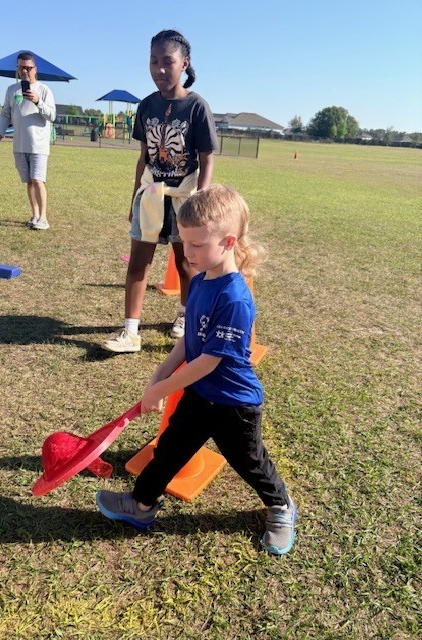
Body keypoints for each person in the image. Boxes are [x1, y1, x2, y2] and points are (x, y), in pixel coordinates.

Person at [97, 185, 297, 556]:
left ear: (228, 241)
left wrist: (162, 390)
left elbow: (209, 361)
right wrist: (161, 370)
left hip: (233, 404)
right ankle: (141, 506)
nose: (186, 254)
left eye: (197, 245)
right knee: (169, 451)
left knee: (249, 462)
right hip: (199, 396)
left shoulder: (234, 297)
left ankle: (281, 507)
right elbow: (192, 339)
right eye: (184, 243)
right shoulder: (202, 281)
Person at [101, 29, 218, 353]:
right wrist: (133, 199)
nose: (159, 69)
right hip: (151, 192)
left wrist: (200, 202)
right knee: (138, 263)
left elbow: (207, 160)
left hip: (184, 194)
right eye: (154, 61)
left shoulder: (197, 106)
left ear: (184, 64)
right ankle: (130, 333)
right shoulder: (146, 106)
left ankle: (183, 316)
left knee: (186, 263)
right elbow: (143, 158)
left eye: (167, 61)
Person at [0, 52, 56, 230]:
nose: (25, 71)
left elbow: (52, 115)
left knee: (38, 179)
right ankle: (34, 215)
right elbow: (5, 114)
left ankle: (43, 217)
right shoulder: (12, 90)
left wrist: (38, 101)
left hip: (39, 144)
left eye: (29, 68)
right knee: (28, 180)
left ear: (35, 69)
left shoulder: (44, 90)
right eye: (21, 67)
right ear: (18, 69)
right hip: (19, 144)